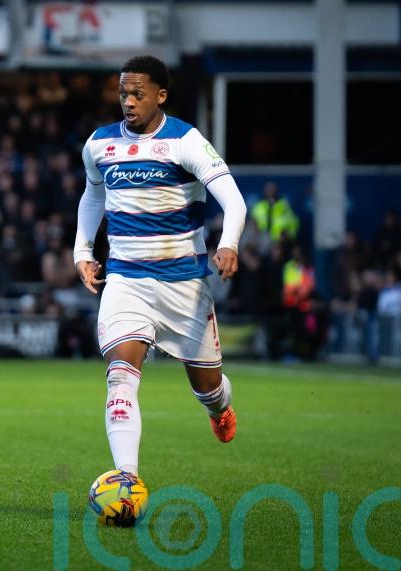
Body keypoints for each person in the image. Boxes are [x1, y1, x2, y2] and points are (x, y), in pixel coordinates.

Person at [73, 56, 247, 481]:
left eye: (138, 94)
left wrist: (227, 245)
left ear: (160, 96)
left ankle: (220, 408)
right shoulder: (99, 145)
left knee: (207, 389)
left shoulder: (185, 140)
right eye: (122, 94)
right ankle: (127, 478)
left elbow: (235, 201)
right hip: (126, 281)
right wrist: (82, 250)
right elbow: (93, 196)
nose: (128, 102)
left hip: (184, 284)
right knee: (120, 377)